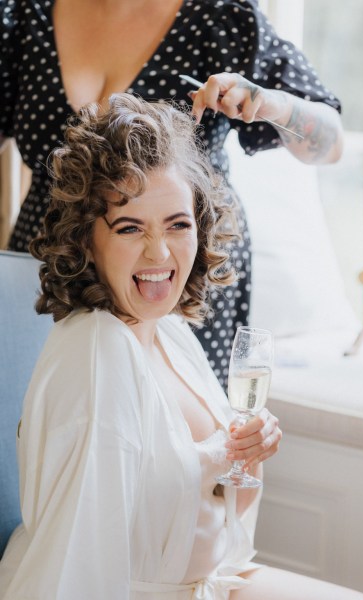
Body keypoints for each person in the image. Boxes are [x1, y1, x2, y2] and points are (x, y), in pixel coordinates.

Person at [0, 95, 363, 600]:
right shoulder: (97, 356)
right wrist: (218, 455)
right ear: (88, 239)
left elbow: (210, 509)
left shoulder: (170, 332)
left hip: (214, 580)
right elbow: (77, 563)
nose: (160, 252)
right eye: (130, 228)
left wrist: (245, 452)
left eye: (178, 224)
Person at [0, 0, 344, 388]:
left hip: (176, 271)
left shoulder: (220, 14)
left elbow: (331, 142)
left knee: (183, 434)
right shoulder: (23, 13)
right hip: (58, 269)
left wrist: (273, 104)